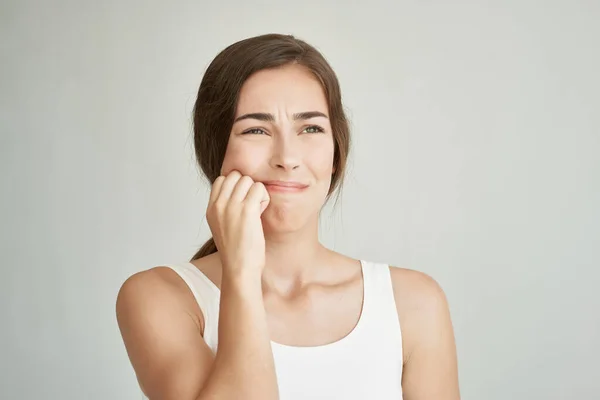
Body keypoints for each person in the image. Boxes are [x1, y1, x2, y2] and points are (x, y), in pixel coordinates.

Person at [116, 33, 460, 400]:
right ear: (215, 151)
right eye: (256, 129)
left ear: (336, 152)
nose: (287, 157)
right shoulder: (161, 298)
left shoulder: (413, 303)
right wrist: (242, 273)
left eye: (310, 128)